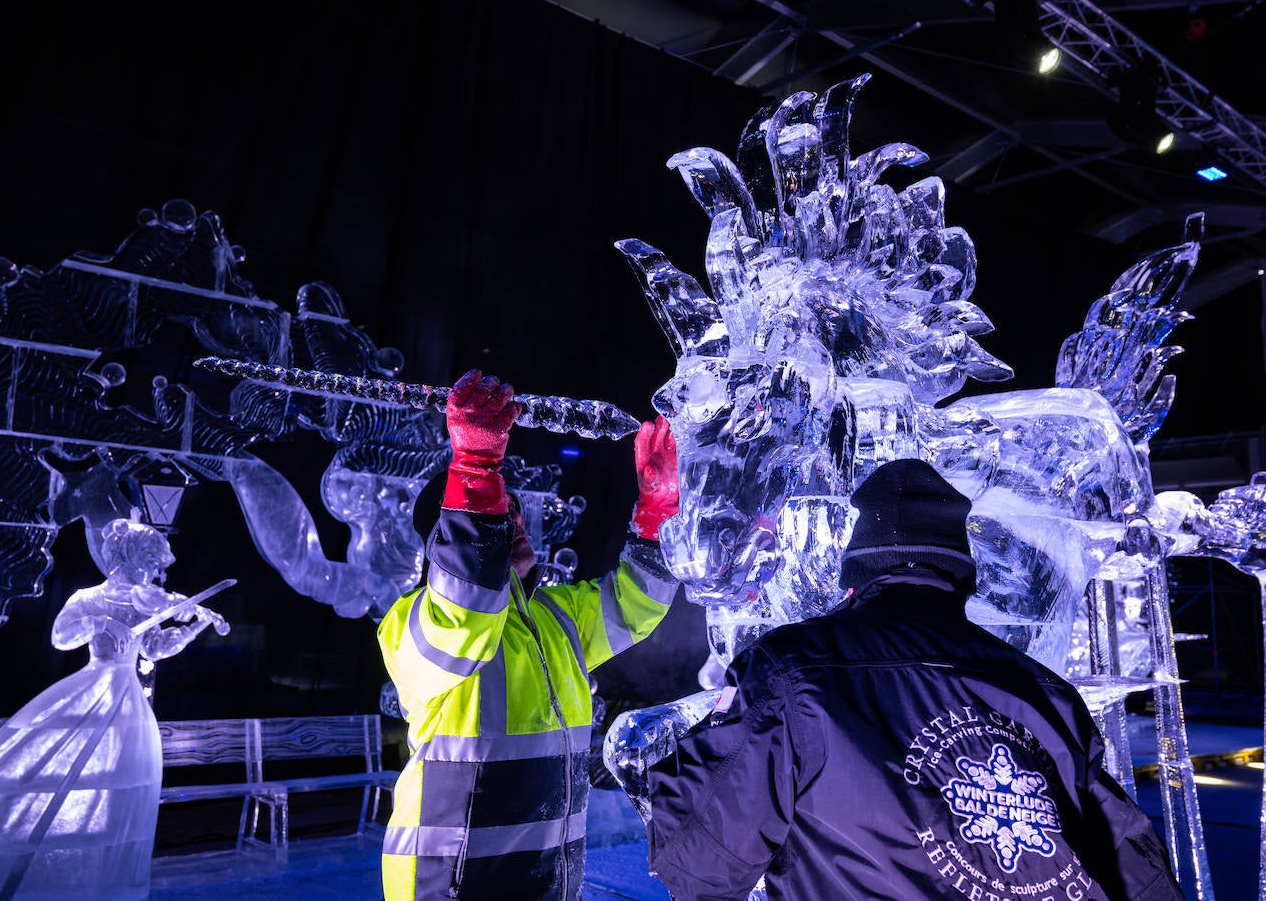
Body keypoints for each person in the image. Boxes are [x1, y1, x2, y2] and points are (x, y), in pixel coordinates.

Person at [645, 458, 1185, 901]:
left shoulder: (790, 669)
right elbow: (1140, 873)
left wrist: (679, 758)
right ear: (960, 578)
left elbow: (700, 862)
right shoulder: (1049, 694)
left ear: (855, 576)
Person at [377, 368, 681, 901]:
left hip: (548, 878)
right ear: (444, 541)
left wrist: (656, 517)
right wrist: (474, 468)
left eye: (513, 512)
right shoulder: (414, 623)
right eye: (497, 515)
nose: (516, 524)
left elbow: (641, 604)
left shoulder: (556, 616)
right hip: (450, 881)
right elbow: (465, 607)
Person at [0, 516, 230, 900]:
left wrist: (197, 626)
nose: (154, 572)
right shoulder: (88, 597)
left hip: (128, 704)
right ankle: (18, 873)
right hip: (90, 690)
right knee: (54, 778)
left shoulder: (146, 603)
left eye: (154, 565)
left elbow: (155, 648)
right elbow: (61, 638)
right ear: (127, 558)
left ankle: (91, 884)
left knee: (115, 793)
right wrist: (98, 621)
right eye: (147, 562)